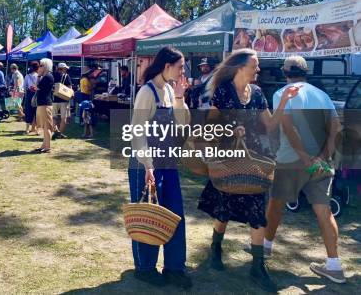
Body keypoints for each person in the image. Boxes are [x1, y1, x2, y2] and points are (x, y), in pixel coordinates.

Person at [197, 49, 300, 293]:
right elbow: (210, 126)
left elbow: (271, 124)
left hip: (253, 158)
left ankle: (257, 267)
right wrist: (230, 130)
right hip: (228, 157)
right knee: (223, 210)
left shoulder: (256, 93)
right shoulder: (223, 92)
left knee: (257, 211)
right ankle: (215, 249)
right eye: (255, 65)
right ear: (240, 67)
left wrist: (284, 102)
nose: (259, 69)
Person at [264, 56, 346, 284]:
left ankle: (265, 248)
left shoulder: (283, 93)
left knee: (276, 204)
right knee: (324, 212)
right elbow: (336, 129)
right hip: (321, 163)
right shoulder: (323, 95)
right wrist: (321, 157)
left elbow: (287, 127)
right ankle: (334, 266)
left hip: (291, 160)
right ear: (305, 71)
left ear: (285, 72)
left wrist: (303, 156)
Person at [128, 47, 192, 288]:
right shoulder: (147, 92)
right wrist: (147, 165)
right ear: (167, 66)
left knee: (174, 214)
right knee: (148, 215)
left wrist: (180, 97)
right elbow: (137, 130)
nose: (183, 71)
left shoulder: (168, 90)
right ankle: (145, 268)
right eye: (180, 67)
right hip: (145, 164)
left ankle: (175, 267)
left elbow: (183, 122)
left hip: (167, 161)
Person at [34, 58, 55, 153]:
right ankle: (44, 145)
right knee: (44, 127)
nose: (39, 67)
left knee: (47, 127)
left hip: (45, 104)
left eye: (41, 65)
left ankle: (47, 147)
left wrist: (38, 76)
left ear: (46, 67)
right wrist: (39, 76)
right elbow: (38, 87)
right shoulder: (45, 76)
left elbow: (38, 87)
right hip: (43, 104)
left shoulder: (48, 77)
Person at [52, 62, 72, 139]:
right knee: (64, 117)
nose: (66, 70)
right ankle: (59, 133)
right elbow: (70, 88)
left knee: (54, 117)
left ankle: (56, 131)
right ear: (63, 69)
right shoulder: (66, 76)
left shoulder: (53, 75)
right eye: (65, 68)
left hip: (54, 99)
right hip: (64, 99)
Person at [23, 61, 39, 134]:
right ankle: (36, 130)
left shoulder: (27, 76)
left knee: (29, 111)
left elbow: (25, 87)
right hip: (37, 95)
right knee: (37, 112)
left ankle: (27, 129)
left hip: (29, 95)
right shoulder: (39, 76)